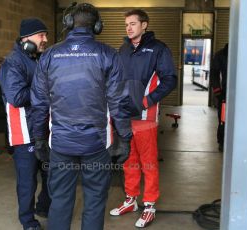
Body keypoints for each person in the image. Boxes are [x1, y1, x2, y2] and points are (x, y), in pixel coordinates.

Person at [30, 3, 132, 230]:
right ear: (97, 26)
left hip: (61, 143)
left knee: (60, 200)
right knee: (95, 200)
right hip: (97, 144)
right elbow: (119, 102)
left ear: (67, 24)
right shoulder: (108, 55)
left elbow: (38, 103)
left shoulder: (49, 56)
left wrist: (38, 137)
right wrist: (125, 138)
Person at [109, 9, 177, 228]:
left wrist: (147, 100)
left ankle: (149, 205)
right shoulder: (123, 49)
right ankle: (131, 200)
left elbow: (170, 80)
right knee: (129, 160)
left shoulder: (158, 49)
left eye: (133, 24)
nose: (128, 28)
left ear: (144, 25)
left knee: (148, 162)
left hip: (145, 115)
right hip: (124, 116)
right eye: (126, 24)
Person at [0, 18, 51, 230]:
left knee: (50, 173)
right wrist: (45, 89)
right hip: (24, 133)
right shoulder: (12, 62)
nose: (45, 39)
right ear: (26, 38)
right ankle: (28, 222)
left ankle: (44, 207)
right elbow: (17, 97)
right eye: (41, 35)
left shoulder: (36, 58)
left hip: (42, 129)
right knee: (28, 181)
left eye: (45, 35)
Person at [210, 43, 228, 152]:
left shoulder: (244, 52)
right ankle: (222, 142)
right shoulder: (221, 55)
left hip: (242, 93)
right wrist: (217, 91)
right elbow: (214, 73)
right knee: (223, 119)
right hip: (225, 94)